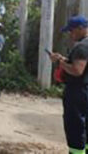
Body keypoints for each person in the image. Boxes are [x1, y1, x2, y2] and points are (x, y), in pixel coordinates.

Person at [50, 16, 88, 154]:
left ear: (81, 29)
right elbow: (79, 63)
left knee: (75, 127)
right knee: (85, 128)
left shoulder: (81, 46)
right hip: (85, 90)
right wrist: (63, 59)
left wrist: (60, 63)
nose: (70, 34)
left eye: (72, 31)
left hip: (77, 93)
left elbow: (77, 70)